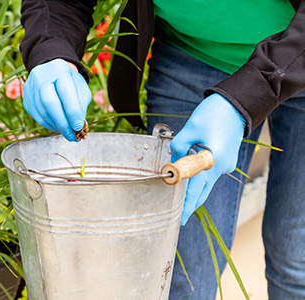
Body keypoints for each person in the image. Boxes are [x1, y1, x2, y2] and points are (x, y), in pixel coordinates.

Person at [19, 0, 305, 299]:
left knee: (297, 262)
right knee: (178, 272)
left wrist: (250, 94)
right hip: (195, 53)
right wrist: (50, 47)